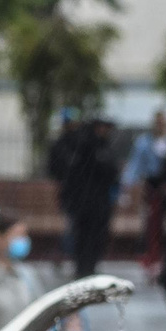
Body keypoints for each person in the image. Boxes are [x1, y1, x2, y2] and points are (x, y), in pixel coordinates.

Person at [52, 114, 122, 280]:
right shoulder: (84, 146)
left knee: (97, 236)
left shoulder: (104, 147)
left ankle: (90, 266)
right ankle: (83, 267)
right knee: (83, 235)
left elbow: (112, 173)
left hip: (100, 201)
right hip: (84, 202)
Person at [120, 109, 166, 273]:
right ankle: (151, 255)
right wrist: (127, 185)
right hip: (152, 187)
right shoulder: (144, 142)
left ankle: (161, 256)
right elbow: (135, 165)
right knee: (152, 222)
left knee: (163, 223)